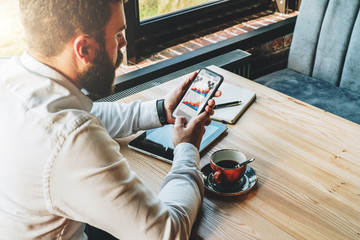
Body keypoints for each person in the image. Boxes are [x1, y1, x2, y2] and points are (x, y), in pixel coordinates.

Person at [0, 0, 221, 239]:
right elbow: (167, 233)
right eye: (117, 34)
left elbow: (83, 115)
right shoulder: (72, 139)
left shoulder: (11, 75)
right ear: (84, 49)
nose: (124, 43)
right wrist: (187, 150)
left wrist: (160, 110)